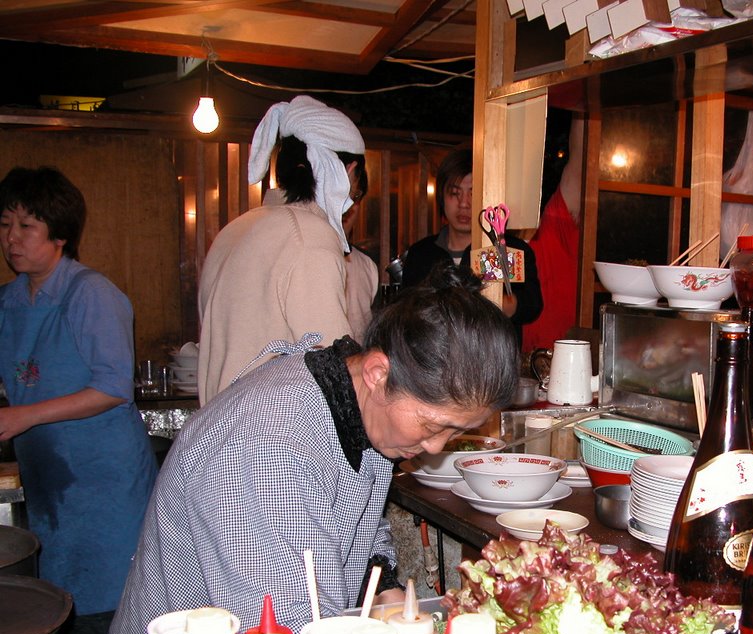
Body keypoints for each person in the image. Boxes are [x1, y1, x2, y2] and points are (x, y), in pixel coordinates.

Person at [105, 266, 519, 634]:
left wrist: (386, 596)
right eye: (433, 426)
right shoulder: (268, 444)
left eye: (456, 431)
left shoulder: (359, 406)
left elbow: (349, 514)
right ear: (379, 374)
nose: (434, 447)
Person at [0, 166, 158, 634]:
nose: (12, 239)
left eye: (27, 226)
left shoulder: (90, 294)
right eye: (5, 225)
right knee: (57, 604)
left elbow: (113, 387)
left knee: (111, 612)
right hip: (52, 483)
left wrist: (24, 417)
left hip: (102, 483)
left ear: (60, 234)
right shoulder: (9, 302)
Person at [198, 94, 366, 404]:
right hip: (266, 439)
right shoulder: (310, 236)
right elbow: (335, 369)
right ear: (348, 171)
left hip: (220, 429)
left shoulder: (236, 228)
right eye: (356, 184)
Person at [402, 149, 542, 347]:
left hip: (492, 361)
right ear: (442, 197)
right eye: (454, 193)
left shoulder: (502, 249)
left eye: (473, 193)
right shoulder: (421, 253)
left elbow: (532, 304)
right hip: (433, 364)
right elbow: (405, 313)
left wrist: (503, 304)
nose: (464, 204)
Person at [521, 115, 583, 353]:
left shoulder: (554, 228)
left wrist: (582, 104)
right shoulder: (487, 246)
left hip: (566, 361)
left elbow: (579, 162)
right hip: (512, 370)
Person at [342, 162, 379, 344]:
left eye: (355, 197)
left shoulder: (367, 265)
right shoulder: (302, 256)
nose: (347, 206)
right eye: (341, 195)